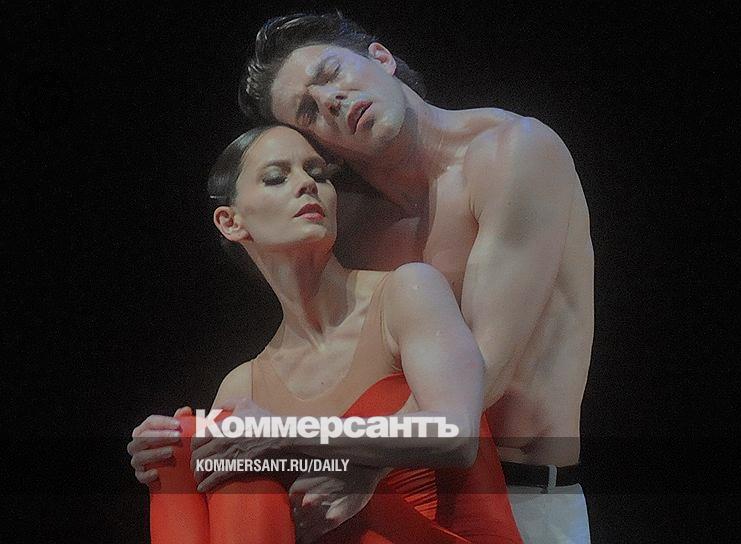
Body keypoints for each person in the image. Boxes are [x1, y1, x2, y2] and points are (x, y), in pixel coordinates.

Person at [237, 12, 595, 543]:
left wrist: (354, 459)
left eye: (331, 73)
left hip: (518, 497)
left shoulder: (512, 151)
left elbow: (483, 373)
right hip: (387, 491)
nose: (331, 101)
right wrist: (199, 436)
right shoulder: (350, 219)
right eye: (309, 111)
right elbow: (327, 361)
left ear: (381, 58)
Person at [129, 125, 523, 543]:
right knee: (182, 444)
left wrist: (290, 435)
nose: (306, 184)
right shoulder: (244, 385)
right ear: (231, 222)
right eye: (277, 177)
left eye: (317, 173)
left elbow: (457, 434)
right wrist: (163, 452)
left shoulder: (407, 292)